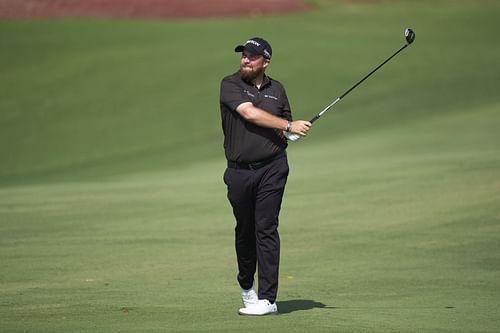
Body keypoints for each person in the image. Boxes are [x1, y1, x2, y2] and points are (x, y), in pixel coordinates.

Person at [219, 37, 311, 316]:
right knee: (245, 232)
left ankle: (268, 299)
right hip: (239, 172)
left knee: (266, 228)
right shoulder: (230, 84)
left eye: (252, 56)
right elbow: (249, 114)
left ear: (266, 62)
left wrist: (292, 132)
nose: (245, 60)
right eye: (244, 55)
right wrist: (286, 125)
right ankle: (247, 286)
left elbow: (286, 127)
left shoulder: (277, 90)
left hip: (272, 167)